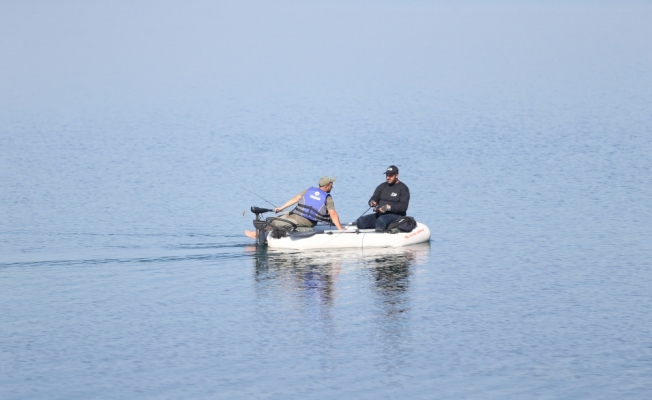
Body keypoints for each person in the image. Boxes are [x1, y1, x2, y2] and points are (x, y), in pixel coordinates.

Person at [245, 176, 344, 239]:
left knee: (280, 221)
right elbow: (333, 214)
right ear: (326, 186)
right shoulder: (327, 197)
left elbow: (295, 198)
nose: (332, 187)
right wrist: (281, 208)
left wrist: (281, 206)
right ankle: (259, 233)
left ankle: (258, 234)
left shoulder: (308, 190)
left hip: (306, 220)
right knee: (282, 216)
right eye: (331, 185)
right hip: (300, 217)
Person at [356, 165, 410, 231]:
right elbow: (373, 198)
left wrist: (388, 207)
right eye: (387, 175)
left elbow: (404, 207)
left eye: (390, 175)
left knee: (381, 220)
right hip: (380, 215)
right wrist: (372, 202)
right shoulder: (381, 187)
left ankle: (381, 234)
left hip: (396, 216)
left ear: (396, 175)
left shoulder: (403, 188)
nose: (388, 177)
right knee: (361, 221)